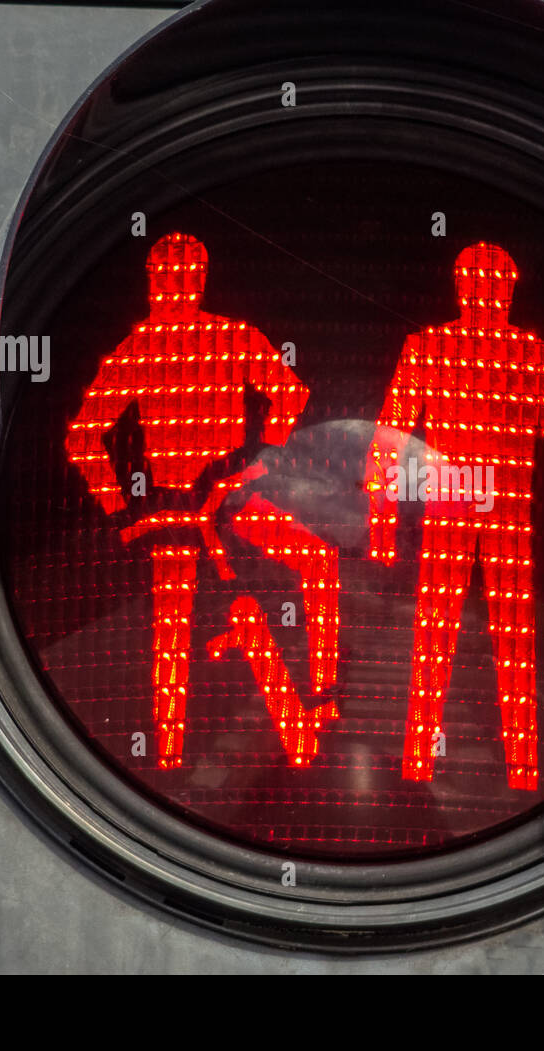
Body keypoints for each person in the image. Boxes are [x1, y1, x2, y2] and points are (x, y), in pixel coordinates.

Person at [65, 232, 339, 769]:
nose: (171, 286)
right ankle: (167, 756)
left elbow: (291, 391)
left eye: (180, 276)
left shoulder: (226, 337)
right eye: (163, 276)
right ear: (152, 282)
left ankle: (323, 699)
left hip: (230, 499)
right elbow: (82, 436)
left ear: (196, 280)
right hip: (175, 509)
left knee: (318, 559)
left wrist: (255, 467)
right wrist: (125, 512)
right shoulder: (139, 346)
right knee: (172, 631)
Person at [365, 242, 544, 790]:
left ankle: (428, 764)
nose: (487, 294)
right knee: (502, 644)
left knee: (449, 639)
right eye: (484, 283)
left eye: (492, 284)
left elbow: (386, 447)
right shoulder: (532, 356)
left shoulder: (434, 348)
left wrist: (383, 534)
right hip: (485, 511)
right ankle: (513, 771)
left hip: (460, 508)